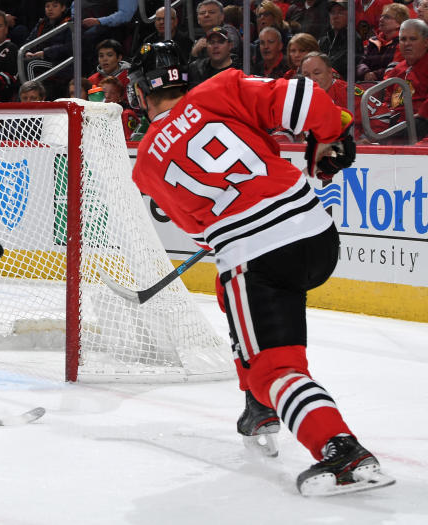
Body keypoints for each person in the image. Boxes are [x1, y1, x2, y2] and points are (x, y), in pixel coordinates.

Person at [126, 40, 393, 497]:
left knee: (275, 367)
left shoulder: (147, 162)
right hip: (315, 235)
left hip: (258, 259)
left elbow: (203, 233)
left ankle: (340, 449)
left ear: (142, 94)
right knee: (231, 288)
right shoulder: (221, 87)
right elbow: (306, 99)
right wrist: (334, 132)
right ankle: (257, 405)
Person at [384, 18, 428, 140]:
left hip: (420, 125)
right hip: (397, 123)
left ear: (426, 42)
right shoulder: (397, 69)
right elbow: (386, 98)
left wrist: (422, 114)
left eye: (413, 39)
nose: (407, 43)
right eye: (403, 39)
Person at [80, 0, 136, 72]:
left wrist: (99, 21)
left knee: (88, 37)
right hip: (100, 24)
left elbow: (125, 15)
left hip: (121, 28)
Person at [357, 3, 408, 81]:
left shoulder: (403, 43)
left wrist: (375, 75)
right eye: (381, 16)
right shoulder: (373, 40)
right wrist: (365, 73)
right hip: (367, 84)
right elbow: (361, 63)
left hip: (389, 85)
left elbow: (396, 69)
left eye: (387, 17)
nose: (381, 19)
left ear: (399, 23)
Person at [24, 0, 72, 82]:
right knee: (20, 60)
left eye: (54, 6)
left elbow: (69, 47)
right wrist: (27, 52)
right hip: (40, 59)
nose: (50, 9)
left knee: (31, 64)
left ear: (63, 8)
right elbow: (28, 41)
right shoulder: (42, 23)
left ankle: (32, 91)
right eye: (47, 6)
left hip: (59, 62)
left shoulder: (69, 24)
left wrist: (45, 53)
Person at [318, 0, 364, 80]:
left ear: (349, 16)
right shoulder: (324, 40)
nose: (335, 16)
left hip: (344, 85)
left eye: (340, 12)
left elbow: (340, 65)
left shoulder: (353, 39)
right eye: (332, 13)